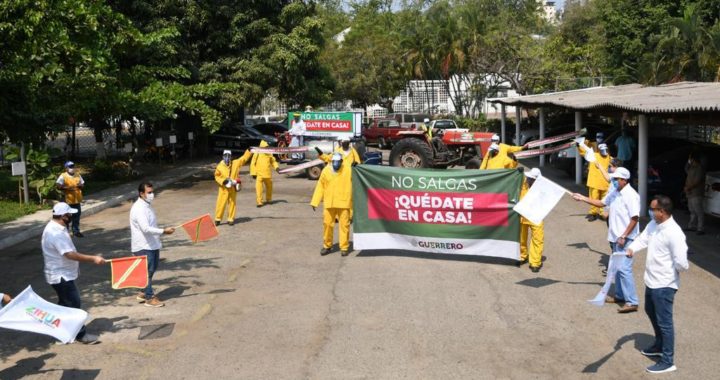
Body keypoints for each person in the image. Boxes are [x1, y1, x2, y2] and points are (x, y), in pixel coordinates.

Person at [626, 195, 689, 374]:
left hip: (664, 284)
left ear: (662, 212)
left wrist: (672, 273)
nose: (650, 211)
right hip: (651, 280)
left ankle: (668, 360)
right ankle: (659, 345)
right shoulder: (654, 224)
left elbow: (682, 263)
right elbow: (643, 238)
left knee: (665, 322)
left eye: (653, 209)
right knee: (650, 311)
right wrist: (632, 248)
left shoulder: (674, 233)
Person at [572, 167, 640, 313]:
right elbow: (602, 203)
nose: (613, 181)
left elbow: (635, 218)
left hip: (626, 238)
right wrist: (583, 198)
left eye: (616, 179)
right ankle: (620, 296)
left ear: (624, 180)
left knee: (624, 269)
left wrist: (624, 236)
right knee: (617, 268)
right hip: (616, 237)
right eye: (613, 179)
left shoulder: (631, 195)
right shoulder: (615, 192)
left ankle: (632, 301)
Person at [42, 202, 106, 344]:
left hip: (60, 274)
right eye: (69, 214)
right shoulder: (55, 232)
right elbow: (69, 254)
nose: (72, 216)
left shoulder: (57, 226)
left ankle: (60, 335)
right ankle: (81, 336)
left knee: (64, 305)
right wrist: (93, 258)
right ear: (63, 216)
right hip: (61, 276)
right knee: (73, 305)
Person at [130, 182, 175, 307]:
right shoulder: (139, 208)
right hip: (143, 246)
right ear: (141, 193)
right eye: (149, 193)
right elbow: (145, 228)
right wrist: (163, 231)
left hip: (151, 244)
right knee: (146, 272)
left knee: (151, 270)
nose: (152, 194)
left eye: (152, 192)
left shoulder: (147, 205)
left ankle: (143, 292)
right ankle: (149, 298)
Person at [310, 153, 352, 256]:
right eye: (334, 162)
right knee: (327, 225)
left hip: (343, 202)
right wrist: (315, 201)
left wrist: (357, 166)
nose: (336, 164)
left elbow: (359, 175)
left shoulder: (348, 169)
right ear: (332, 162)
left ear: (341, 162)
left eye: (338, 162)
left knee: (344, 226)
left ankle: (344, 247)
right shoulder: (326, 171)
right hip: (329, 203)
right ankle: (327, 246)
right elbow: (320, 186)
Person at [214, 149, 253, 225]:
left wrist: (249, 151)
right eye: (225, 156)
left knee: (232, 203)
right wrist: (223, 181)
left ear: (231, 157)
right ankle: (218, 218)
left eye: (229, 156)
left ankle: (230, 218)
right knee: (220, 203)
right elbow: (216, 176)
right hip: (223, 189)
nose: (227, 157)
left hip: (232, 188)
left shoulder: (235, 163)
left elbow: (243, 158)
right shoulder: (219, 166)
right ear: (223, 156)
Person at [519, 168, 545, 272]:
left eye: (530, 178)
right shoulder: (523, 184)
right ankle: (522, 256)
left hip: (536, 216)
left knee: (537, 239)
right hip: (523, 215)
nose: (528, 179)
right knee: (521, 237)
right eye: (528, 177)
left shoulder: (543, 188)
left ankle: (535, 262)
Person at [581, 143, 613, 221]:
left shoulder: (609, 158)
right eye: (603, 150)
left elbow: (614, 166)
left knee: (604, 200)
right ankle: (593, 213)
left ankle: (603, 214)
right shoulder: (593, 155)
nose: (604, 151)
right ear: (599, 150)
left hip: (605, 183)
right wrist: (580, 145)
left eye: (605, 149)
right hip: (595, 182)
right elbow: (584, 151)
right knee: (593, 199)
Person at [55, 161, 85, 237]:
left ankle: (76, 231)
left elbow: (82, 184)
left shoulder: (77, 174)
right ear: (66, 168)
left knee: (76, 216)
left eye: (73, 166)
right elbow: (58, 186)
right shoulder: (63, 176)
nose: (72, 168)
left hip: (76, 199)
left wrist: (80, 185)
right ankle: (66, 232)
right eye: (70, 167)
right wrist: (66, 188)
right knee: (66, 217)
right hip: (67, 200)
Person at [250, 140, 279, 207]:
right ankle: (259, 202)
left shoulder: (269, 153)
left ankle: (269, 199)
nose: (267, 148)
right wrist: (253, 173)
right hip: (259, 174)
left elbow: (273, 161)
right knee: (259, 189)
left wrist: (277, 168)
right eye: (266, 147)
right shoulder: (257, 152)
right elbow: (252, 163)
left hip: (268, 175)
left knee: (269, 187)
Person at [684, 151, 705, 235]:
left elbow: (697, 181)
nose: (689, 160)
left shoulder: (699, 168)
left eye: (690, 158)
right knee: (692, 210)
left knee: (698, 211)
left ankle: (700, 228)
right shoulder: (691, 167)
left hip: (696, 193)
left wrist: (688, 188)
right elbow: (686, 169)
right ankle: (691, 226)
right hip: (690, 192)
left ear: (693, 159)